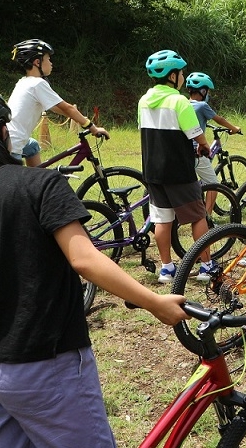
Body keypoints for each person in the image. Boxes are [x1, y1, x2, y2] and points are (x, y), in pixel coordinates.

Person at [0, 94, 188, 448]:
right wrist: (154, 302)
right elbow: (84, 259)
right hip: (44, 362)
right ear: (4, 133)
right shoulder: (39, 185)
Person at [138, 50, 213, 284]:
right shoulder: (178, 101)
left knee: (162, 220)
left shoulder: (143, 100)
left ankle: (167, 269)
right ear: (172, 76)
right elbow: (195, 133)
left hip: (153, 170)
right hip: (179, 170)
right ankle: (206, 266)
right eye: (180, 73)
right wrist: (204, 145)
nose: (182, 77)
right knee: (198, 216)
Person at [7, 39, 109, 166]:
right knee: (17, 185)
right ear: (37, 62)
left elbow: (57, 108)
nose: (51, 63)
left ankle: (38, 182)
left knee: (32, 146)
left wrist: (80, 119)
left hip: (8, 139)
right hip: (13, 147)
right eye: (48, 59)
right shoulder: (37, 84)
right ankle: (35, 183)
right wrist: (91, 127)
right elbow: (67, 108)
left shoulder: (24, 81)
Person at [185, 72, 242, 213]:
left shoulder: (184, 104)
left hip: (182, 150)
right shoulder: (202, 105)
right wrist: (234, 128)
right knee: (213, 185)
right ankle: (207, 216)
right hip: (196, 152)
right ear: (203, 91)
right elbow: (219, 119)